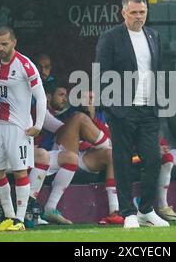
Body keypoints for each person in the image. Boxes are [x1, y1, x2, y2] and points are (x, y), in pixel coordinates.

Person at [95, 0, 169, 228]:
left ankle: (146, 209)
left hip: (148, 109)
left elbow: (158, 70)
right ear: (124, 13)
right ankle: (128, 212)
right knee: (123, 161)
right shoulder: (110, 37)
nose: (139, 17)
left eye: (142, 12)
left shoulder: (153, 35)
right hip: (123, 110)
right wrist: (113, 109)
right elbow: (101, 73)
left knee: (154, 159)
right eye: (134, 12)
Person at [0, 26, 47, 232]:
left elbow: (41, 96)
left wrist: (38, 125)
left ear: (14, 42)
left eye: (4, 44)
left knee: (20, 171)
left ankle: (19, 219)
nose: (0, 48)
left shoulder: (26, 65)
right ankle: (9, 217)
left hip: (19, 128)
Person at [32, 83, 120, 225]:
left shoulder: (100, 115)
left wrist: (93, 119)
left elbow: (106, 133)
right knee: (79, 118)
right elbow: (62, 129)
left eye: (92, 98)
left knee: (110, 155)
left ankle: (114, 211)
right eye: (87, 98)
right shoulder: (60, 112)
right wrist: (84, 127)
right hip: (53, 154)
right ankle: (112, 146)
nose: (64, 99)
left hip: (80, 155)